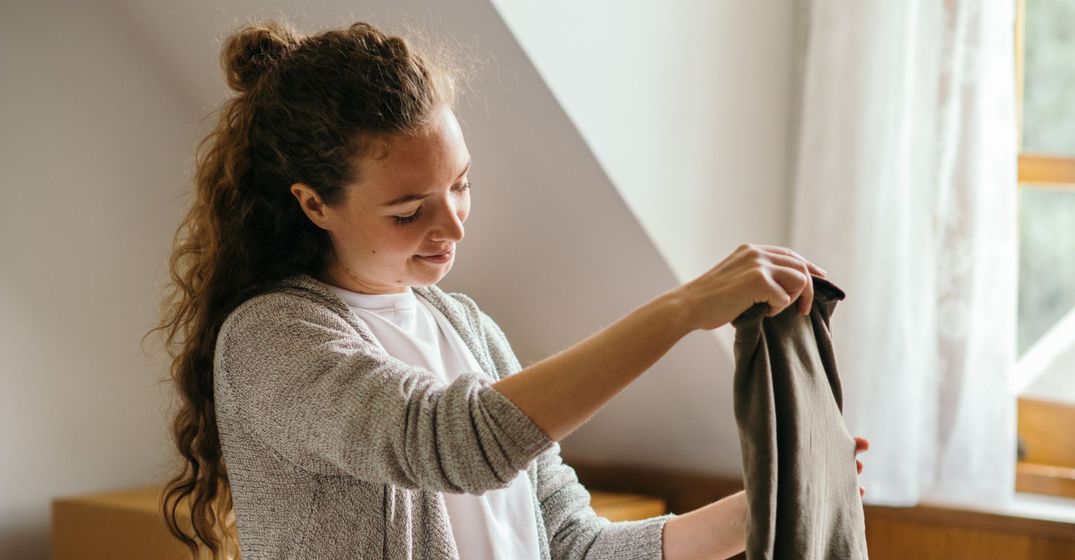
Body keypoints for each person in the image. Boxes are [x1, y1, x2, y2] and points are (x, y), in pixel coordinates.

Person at [155, 19, 869, 560]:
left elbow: (572, 544)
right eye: (409, 211)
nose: (451, 226)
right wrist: (681, 311)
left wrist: (768, 506)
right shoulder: (272, 340)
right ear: (314, 204)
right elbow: (453, 443)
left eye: (460, 186)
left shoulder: (464, 327)